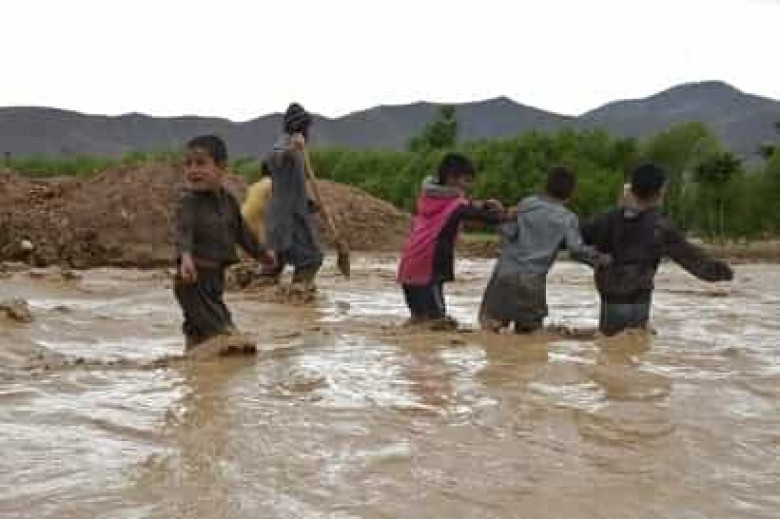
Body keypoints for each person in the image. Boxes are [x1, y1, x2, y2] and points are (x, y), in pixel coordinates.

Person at [581, 163, 734, 336]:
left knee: (610, 342)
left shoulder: (606, 219)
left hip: (611, 299)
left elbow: (574, 242)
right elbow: (692, 258)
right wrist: (724, 272)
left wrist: (595, 259)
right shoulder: (660, 227)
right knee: (633, 344)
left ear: (631, 187)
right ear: (660, 192)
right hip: (640, 301)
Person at [173, 134, 275, 349]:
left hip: (215, 279)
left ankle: (193, 365)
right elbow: (184, 230)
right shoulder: (188, 202)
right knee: (224, 333)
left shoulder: (228, 202)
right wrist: (186, 257)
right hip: (192, 280)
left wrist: (262, 254)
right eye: (188, 164)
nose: (193, 170)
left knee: (199, 331)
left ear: (221, 168)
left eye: (201, 163)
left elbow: (242, 233)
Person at [480, 166, 609, 333]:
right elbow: (575, 249)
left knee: (491, 328)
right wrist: (599, 258)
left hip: (503, 274)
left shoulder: (528, 203)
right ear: (571, 193)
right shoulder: (567, 218)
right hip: (532, 281)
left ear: (545, 186)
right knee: (530, 336)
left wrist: (500, 216)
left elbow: (509, 232)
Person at [397, 153, 504, 328]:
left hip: (409, 265)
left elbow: (466, 206)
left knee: (420, 320)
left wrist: (481, 205)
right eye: (466, 181)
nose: (469, 186)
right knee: (437, 322)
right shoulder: (456, 205)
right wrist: (503, 213)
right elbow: (486, 217)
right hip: (428, 267)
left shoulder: (427, 196)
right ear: (452, 179)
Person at [264, 103, 324, 289]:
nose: (308, 132)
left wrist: (309, 203)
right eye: (306, 127)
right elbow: (274, 158)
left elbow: (291, 185)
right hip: (287, 219)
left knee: (274, 264)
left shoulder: (299, 151)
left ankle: (268, 290)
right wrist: (291, 148)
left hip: (291, 214)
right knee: (311, 258)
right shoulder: (285, 144)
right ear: (299, 127)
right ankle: (299, 294)